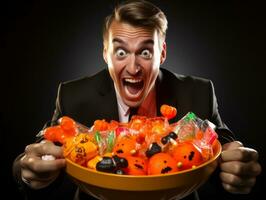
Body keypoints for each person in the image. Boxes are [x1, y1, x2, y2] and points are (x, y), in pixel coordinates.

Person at [13, 0, 261, 200]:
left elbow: (225, 145)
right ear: (105, 53)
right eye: (121, 51)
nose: (133, 67)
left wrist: (236, 167)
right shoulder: (74, 95)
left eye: (145, 52)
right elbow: (36, 153)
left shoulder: (198, 92)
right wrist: (28, 172)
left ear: (161, 53)